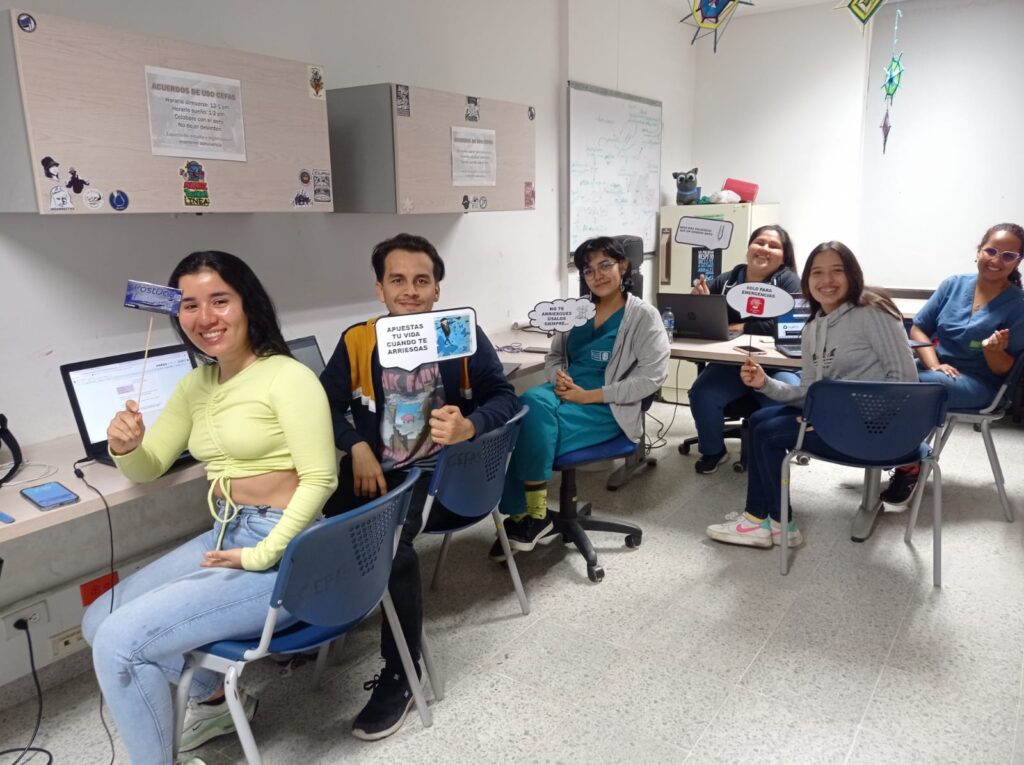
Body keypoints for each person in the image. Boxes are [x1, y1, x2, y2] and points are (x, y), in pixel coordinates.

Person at [82, 251, 338, 765]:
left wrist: (263, 554)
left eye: (220, 300)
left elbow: (321, 478)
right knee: (98, 618)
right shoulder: (196, 384)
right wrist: (126, 447)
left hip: (290, 547)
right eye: (191, 305)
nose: (205, 318)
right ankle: (216, 700)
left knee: (118, 644)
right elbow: (150, 466)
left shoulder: (286, 377)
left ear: (248, 304)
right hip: (229, 532)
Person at [319, 233, 518, 741]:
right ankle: (313, 628)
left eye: (421, 281)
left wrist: (469, 425)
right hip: (375, 469)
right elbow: (327, 404)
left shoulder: (457, 334)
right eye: (397, 280)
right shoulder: (359, 340)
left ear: (437, 290)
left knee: (391, 543)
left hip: (438, 476)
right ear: (380, 289)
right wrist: (356, 446)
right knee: (305, 522)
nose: (410, 290)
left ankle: (403, 672)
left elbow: (503, 394)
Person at [705, 241, 917, 548]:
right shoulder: (813, 328)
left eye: (836, 271)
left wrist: (837, 419)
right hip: (841, 422)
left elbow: (904, 382)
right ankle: (767, 522)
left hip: (875, 431)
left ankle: (770, 522)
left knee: (768, 432)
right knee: (760, 420)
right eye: (817, 272)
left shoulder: (873, 311)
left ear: (852, 275)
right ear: (807, 281)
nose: (826, 280)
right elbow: (807, 393)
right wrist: (764, 383)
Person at [496, 236, 670, 552]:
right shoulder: (575, 312)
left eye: (605, 265)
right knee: (527, 405)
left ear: (624, 266)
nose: (597, 275)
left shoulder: (643, 317)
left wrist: (588, 396)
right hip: (562, 394)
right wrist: (558, 376)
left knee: (526, 431)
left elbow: (652, 378)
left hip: (608, 405)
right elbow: (554, 357)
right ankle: (533, 516)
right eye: (588, 270)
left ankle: (528, 515)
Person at [880, 222, 1024, 504]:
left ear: (1018, 261)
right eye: (991, 250)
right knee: (883, 368)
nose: (996, 260)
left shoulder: (1018, 305)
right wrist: (934, 365)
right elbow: (919, 328)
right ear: (979, 250)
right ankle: (893, 450)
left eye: (1008, 256)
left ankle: (903, 461)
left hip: (981, 383)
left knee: (911, 384)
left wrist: (994, 350)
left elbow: (1006, 370)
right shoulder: (954, 284)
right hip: (937, 369)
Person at [688, 225, 803, 473]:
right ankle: (713, 451)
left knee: (783, 396)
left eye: (774, 246)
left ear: (784, 256)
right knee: (702, 393)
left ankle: (771, 456)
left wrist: (739, 326)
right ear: (749, 247)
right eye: (759, 242)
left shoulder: (787, 281)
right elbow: (705, 320)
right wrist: (699, 302)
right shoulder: (726, 279)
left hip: (776, 364)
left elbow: (784, 324)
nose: (764, 249)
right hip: (731, 363)